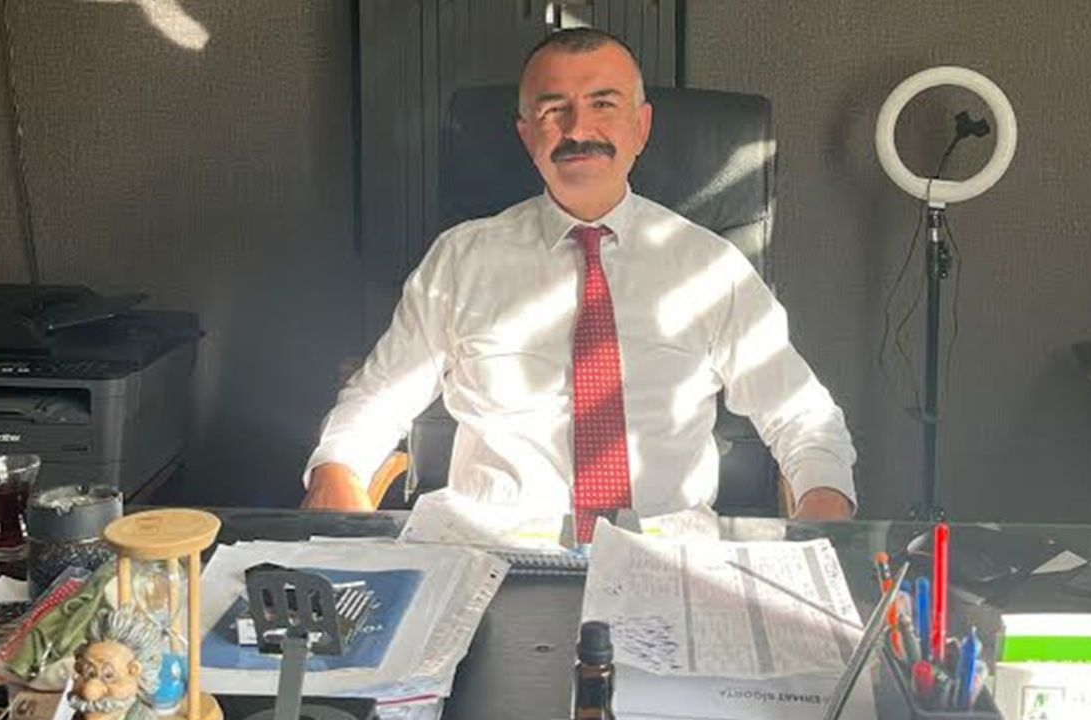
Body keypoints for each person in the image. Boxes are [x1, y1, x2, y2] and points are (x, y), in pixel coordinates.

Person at [303, 28, 856, 531]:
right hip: (489, 551)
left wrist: (824, 506)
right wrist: (336, 470)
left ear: (641, 127)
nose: (577, 130)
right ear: (527, 135)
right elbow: (377, 400)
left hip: (664, 555)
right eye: (553, 110)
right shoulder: (461, 259)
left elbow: (801, 415)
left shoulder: (710, 268)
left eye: (603, 104)